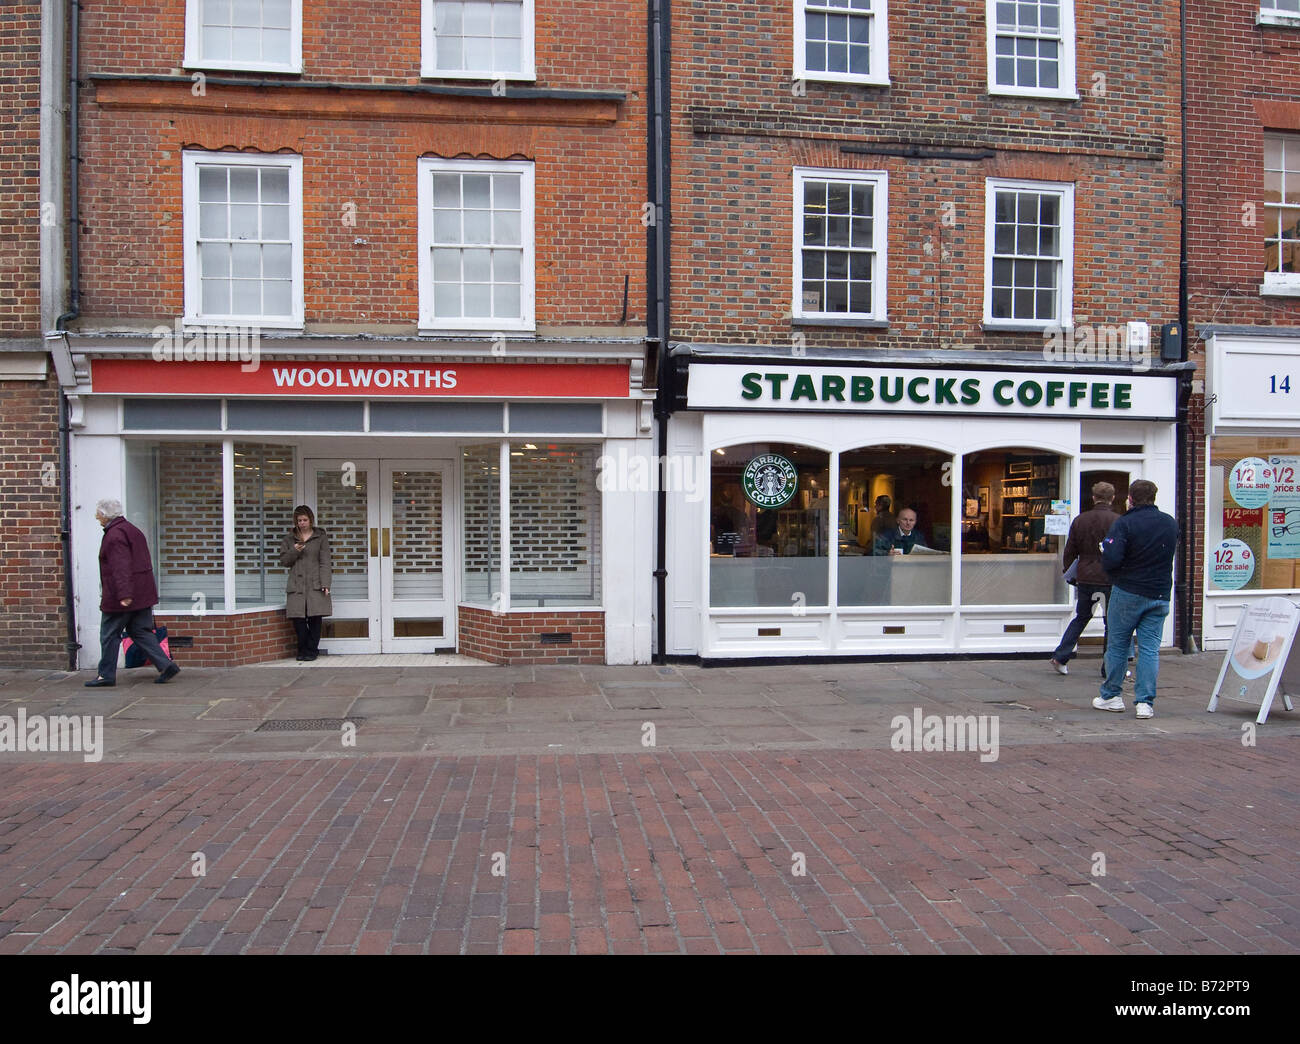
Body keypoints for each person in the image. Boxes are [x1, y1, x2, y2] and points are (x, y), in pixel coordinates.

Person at [1094, 480, 1178, 719]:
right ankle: (1145, 703)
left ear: (1130, 498)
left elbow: (1112, 559)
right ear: (1154, 497)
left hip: (1128, 590)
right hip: (1160, 593)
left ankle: (1111, 696)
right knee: (1150, 649)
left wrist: (1107, 554)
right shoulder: (1169, 523)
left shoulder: (1125, 523)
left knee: (1118, 644)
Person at [85, 498, 180, 687]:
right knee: (140, 631)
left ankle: (106, 675)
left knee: (109, 635)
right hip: (142, 593)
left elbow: (121, 567)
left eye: (98, 513)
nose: (96, 517)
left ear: (105, 514)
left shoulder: (114, 535)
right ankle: (165, 665)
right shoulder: (131, 529)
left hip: (123, 596)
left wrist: (124, 595)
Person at [1048, 481, 1120, 675]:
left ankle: (1060, 655)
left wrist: (1071, 573)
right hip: (1109, 578)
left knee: (1082, 617)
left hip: (1086, 576)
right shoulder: (1118, 521)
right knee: (1111, 623)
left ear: (1094, 497)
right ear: (1112, 498)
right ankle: (1109, 667)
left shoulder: (1080, 520)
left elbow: (1069, 550)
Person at [281, 505, 332, 661]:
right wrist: (295, 550)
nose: (302, 523)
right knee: (299, 621)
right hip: (297, 584)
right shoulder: (289, 539)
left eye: (305, 520)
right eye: (299, 520)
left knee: (315, 619)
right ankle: (302, 650)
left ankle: (312, 650)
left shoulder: (320, 537)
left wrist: (326, 583)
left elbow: (325, 561)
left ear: (311, 520)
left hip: (315, 583)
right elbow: (284, 561)